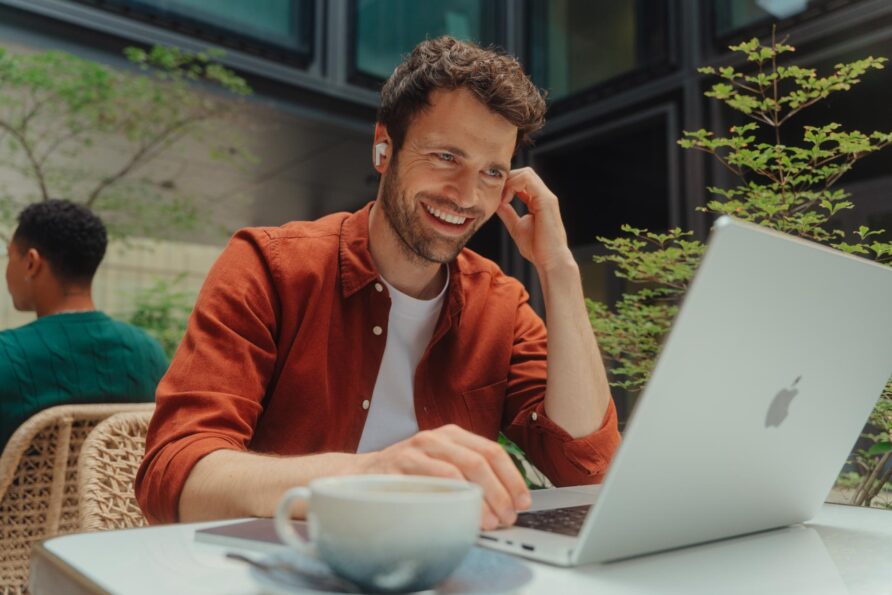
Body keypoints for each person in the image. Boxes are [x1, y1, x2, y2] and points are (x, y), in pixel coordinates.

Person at [136, 37, 621, 529]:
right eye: (446, 157)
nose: (466, 196)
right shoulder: (268, 266)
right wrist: (367, 475)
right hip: (284, 566)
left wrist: (558, 269)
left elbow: (587, 469)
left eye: (492, 171)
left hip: (440, 564)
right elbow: (174, 478)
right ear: (384, 147)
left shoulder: (501, 305)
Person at [0, 199, 168, 450]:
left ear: (32, 262)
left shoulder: (7, 354)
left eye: (10, 255)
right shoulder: (149, 353)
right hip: (112, 489)